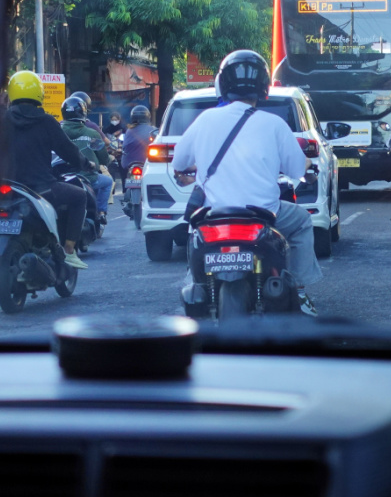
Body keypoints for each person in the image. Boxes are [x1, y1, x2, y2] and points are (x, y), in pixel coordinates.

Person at [172, 49, 322, 316]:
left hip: (213, 215)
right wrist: (309, 166)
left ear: (222, 84)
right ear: (264, 86)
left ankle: (193, 282)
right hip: (265, 215)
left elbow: (178, 164)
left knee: (193, 234)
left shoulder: (205, 119)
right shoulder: (274, 124)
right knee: (301, 222)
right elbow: (298, 169)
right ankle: (299, 291)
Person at [4, 71, 93, 269]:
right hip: (40, 189)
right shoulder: (46, 121)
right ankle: (69, 251)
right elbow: (68, 151)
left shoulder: (3, 120)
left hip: (7, 188)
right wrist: (87, 164)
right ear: (39, 93)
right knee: (79, 196)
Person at [60, 95, 113, 226]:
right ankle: (101, 212)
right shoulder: (92, 133)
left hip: (62, 179)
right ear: (83, 112)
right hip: (89, 178)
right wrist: (104, 162)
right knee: (108, 181)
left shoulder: (57, 131)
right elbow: (103, 158)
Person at [121, 104, 154, 188]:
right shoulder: (153, 130)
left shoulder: (129, 130)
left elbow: (124, 146)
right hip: (147, 163)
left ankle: (125, 190)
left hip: (128, 163)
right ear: (147, 117)